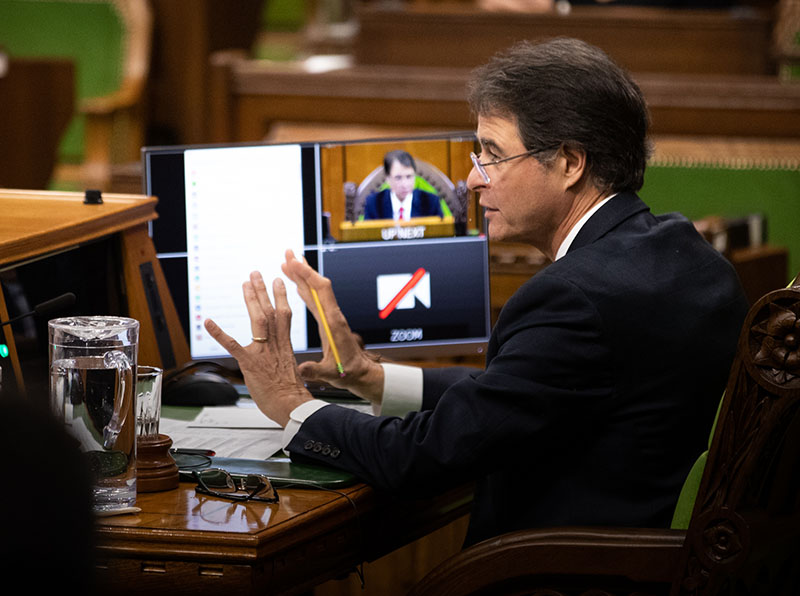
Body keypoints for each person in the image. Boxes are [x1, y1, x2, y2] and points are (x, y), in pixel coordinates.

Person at [204, 37, 749, 546]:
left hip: (556, 572)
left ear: (568, 162)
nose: (472, 179)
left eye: (492, 154)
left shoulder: (572, 299)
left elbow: (419, 461)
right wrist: (373, 378)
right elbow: (526, 391)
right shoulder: (690, 257)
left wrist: (291, 405)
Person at [362, 150, 443, 221]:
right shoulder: (374, 204)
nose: (404, 184)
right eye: (398, 178)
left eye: (409, 177)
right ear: (388, 179)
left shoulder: (430, 202)